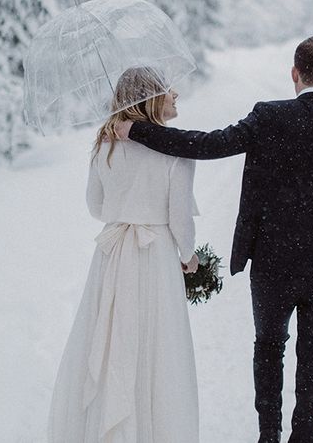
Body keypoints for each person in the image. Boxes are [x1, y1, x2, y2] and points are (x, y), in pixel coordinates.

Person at [116, 37, 313, 443]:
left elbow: (205, 145)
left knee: (268, 351)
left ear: (294, 73)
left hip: (273, 266)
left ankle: (268, 436)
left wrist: (139, 130)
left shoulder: (268, 117)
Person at [48, 67, 201, 443]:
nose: (176, 94)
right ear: (150, 99)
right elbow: (179, 216)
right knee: (155, 349)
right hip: (156, 256)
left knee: (110, 340)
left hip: (113, 254)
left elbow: (95, 206)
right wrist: (190, 256)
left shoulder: (104, 146)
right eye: (168, 90)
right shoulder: (175, 149)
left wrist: (127, 207)